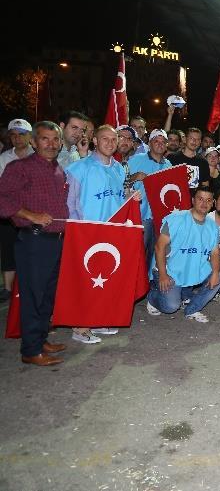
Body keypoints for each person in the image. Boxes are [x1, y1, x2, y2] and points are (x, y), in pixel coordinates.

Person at [0, 121, 69, 365]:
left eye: (55, 140)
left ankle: (40, 339)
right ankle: (30, 350)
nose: (51, 144)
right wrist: (31, 215)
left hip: (56, 241)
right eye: (45, 139)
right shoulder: (20, 168)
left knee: (47, 296)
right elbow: (3, 200)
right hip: (34, 241)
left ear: (61, 143)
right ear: (33, 141)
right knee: (32, 296)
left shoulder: (58, 169)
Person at [65, 124, 129, 344]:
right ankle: (80, 327)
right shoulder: (78, 168)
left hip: (111, 233)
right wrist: (75, 231)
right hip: (86, 232)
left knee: (102, 279)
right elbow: (70, 203)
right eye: (105, 139)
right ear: (95, 141)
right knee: (84, 281)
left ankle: (98, 319)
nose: (110, 143)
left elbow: (119, 200)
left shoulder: (119, 169)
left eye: (114, 139)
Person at [148, 188, 220, 323]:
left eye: (208, 200)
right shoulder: (176, 219)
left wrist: (215, 273)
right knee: (170, 306)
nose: (204, 203)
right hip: (170, 271)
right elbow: (159, 247)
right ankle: (153, 296)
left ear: (213, 203)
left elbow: (215, 252)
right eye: (200, 199)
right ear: (193, 200)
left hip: (194, 269)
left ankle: (192, 308)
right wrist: (163, 274)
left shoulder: (213, 226)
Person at [128, 129, 173, 275]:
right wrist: (135, 177)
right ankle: (135, 282)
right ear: (150, 143)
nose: (160, 144)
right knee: (139, 250)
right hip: (142, 215)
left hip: (160, 216)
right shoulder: (136, 159)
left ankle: (148, 283)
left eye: (163, 142)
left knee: (156, 251)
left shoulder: (168, 165)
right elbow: (120, 182)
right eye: (156, 141)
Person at [0, 119, 34, 301]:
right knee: (8, 249)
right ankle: (8, 288)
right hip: (10, 213)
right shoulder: (4, 158)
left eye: (21, 134)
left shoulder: (38, 156)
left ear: (30, 137)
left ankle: (25, 288)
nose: (17, 138)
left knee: (29, 251)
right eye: (13, 135)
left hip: (33, 214)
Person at [167, 127, 210, 197]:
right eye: (192, 138)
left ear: (200, 142)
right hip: (174, 200)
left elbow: (205, 186)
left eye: (197, 139)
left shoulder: (203, 162)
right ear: (186, 139)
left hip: (194, 204)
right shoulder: (172, 158)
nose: (194, 141)